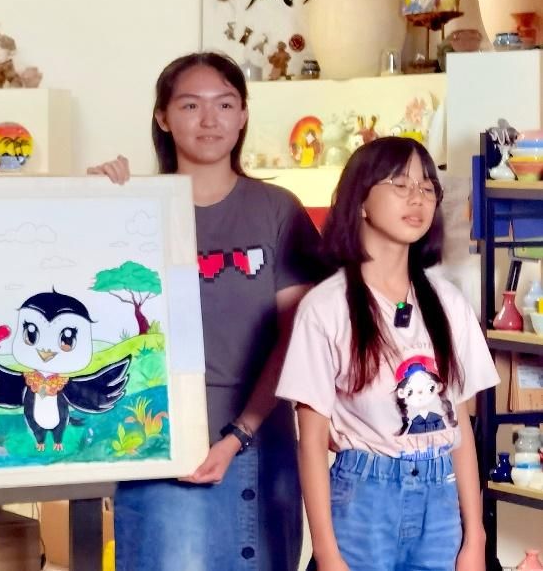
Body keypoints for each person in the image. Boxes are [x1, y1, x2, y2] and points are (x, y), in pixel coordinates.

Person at [88, 51, 324, 570]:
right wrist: (87, 200)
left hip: (262, 446)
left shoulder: (278, 210)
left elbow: (297, 339)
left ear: (243, 115)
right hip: (160, 447)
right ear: (163, 117)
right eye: (191, 105)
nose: (210, 119)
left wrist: (239, 434)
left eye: (225, 104)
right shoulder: (131, 209)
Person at [276, 137, 498, 571]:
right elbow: (313, 442)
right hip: (363, 501)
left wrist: (475, 537)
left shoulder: (448, 303)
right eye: (400, 184)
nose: (418, 198)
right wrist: (327, 554)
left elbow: (459, 427)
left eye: (427, 187)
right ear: (360, 200)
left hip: (440, 502)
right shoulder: (325, 307)